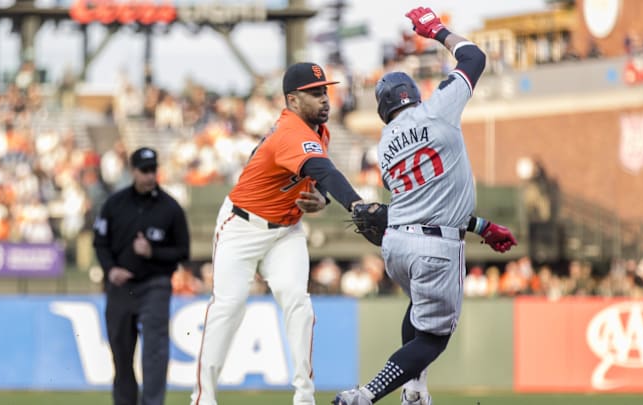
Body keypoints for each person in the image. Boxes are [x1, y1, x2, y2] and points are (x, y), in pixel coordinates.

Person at [333, 7, 517, 405]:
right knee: (433, 338)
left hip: (398, 244)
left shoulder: (384, 147)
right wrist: (437, 31)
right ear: (414, 94)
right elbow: (474, 58)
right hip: (435, 246)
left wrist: (482, 226)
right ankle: (367, 394)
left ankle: (415, 392)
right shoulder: (436, 110)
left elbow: (431, 201)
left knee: (419, 310)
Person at [191, 62, 373, 405]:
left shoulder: (320, 131)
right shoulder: (290, 131)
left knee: (298, 303)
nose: (325, 99)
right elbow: (324, 169)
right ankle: (203, 398)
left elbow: (318, 178)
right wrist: (357, 205)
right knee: (228, 307)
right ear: (292, 101)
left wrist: (320, 197)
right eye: (315, 93)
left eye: (325, 91)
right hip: (242, 227)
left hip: (286, 231)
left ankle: (304, 399)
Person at [93, 146, 190, 405]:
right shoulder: (114, 204)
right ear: (133, 171)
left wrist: (152, 252)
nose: (150, 176)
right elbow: (99, 243)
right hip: (121, 288)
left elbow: (183, 252)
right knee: (121, 355)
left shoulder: (170, 208)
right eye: (144, 171)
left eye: (153, 170)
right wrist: (111, 269)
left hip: (155, 285)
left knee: (155, 354)